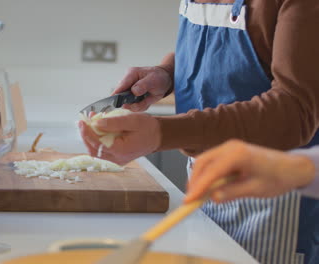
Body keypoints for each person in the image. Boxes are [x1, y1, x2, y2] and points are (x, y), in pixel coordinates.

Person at [78, 0, 319, 263]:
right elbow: (223, 52)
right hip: (205, 185)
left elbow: (294, 113)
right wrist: (167, 73)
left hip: (276, 204)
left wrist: (162, 132)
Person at [184, 139, 319, 203]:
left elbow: (299, 105)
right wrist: (169, 82)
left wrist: (299, 167)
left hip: (278, 185)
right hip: (211, 170)